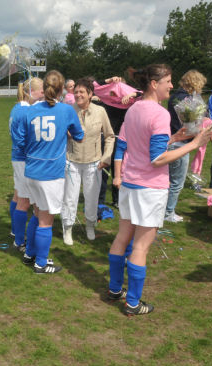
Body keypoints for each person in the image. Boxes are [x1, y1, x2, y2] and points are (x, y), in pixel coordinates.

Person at [106, 64, 212, 316]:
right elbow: (157, 159)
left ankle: (114, 289)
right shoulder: (159, 113)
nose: (172, 85)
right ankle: (132, 302)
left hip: (131, 185)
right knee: (141, 246)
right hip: (149, 188)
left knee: (122, 237)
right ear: (154, 84)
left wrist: (174, 139)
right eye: (168, 81)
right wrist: (195, 144)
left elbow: (139, 144)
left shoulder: (133, 110)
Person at [13, 70, 84, 273]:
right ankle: (41, 263)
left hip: (31, 170)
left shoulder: (30, 110)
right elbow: (79, 136)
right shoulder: (66, 110)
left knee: (36, 212)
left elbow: (19, 140)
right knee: (46, 219)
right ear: (61, 89)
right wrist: (66, 135)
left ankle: (30, 253)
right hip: (51, 173)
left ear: (44, 89)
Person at [61, 78, 115, 245]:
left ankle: (90, 225)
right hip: (72, 162)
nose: (78, 95)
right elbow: (60, 135)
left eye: (81, 92)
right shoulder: (67, 111)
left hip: (94, 163)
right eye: (75, 92)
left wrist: (106, 157)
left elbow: (110, 136)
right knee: (70, 198)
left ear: (91, 94)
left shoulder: (100, 111)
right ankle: (67, 228)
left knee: (92, 198)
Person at [164, 70, 208, 222]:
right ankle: (168, 213)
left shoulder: (175, 96)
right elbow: (186, 125)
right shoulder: (187, 100)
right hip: (180, 143)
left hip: (171, 141)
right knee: (177, 182)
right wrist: (199, 130)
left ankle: (163, 209)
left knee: (167, 179)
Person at [93, 76, 142, 208]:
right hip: (107, 138)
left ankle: (118, 200)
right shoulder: (105, 100)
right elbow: (93, 85)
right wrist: (108, 81)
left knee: (119, 171)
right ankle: (100, 201)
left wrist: (132, 94)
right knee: (103, 170)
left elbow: (144, 93)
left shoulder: (131, 102)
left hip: (122, 139)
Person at [10, 77, 44, 251]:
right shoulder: (25, 112)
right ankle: (19, 240)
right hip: (24, 160)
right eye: (41, 91)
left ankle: (15, 231)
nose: (44, 94)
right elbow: (23, 140)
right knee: (24, 202)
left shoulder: (18, 108)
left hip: (18, 158)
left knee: (17, 196)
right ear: (32, 92)